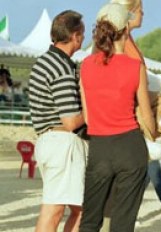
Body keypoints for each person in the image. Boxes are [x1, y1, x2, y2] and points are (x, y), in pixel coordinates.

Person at [110, 0, 161, 227]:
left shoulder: (130, 41)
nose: (144, 14)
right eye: (140, 11)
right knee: (150, 168)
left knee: (150, 168)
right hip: (135, 113)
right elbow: (131, 82)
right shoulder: (122, 43)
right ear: (129, 13)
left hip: (141, 107)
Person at [78, 3, 156, 232]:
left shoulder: (85, 66)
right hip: (130, 148)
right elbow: (146, 115)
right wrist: (156, 136)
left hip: (99, 147)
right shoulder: (135, 67)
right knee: (123, 224)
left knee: (90, 221)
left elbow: (89, 118)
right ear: (125, 30)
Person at [28, 10, 87, 232]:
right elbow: (72, 121)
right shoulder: (61, 67)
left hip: (48, 141)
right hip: (62, 143)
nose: (83, 37)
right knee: (56, 210)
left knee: (75, 209)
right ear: (75, 35)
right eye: (82, 32)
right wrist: (91, 112)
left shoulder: (44, 61)